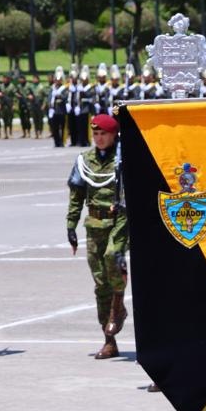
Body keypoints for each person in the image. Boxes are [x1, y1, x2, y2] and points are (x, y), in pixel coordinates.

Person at [66, 113, 128, 359]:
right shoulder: (84, 160)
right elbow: (76, 195)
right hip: (94, 223)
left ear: (114, 135)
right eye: (96, 134)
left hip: (119, 221)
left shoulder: (124, 158)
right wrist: (71, 225)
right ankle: (109, 340)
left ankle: (118, 305)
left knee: (113, 256)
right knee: (101, 283)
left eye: (104, 134)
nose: (99, 138)